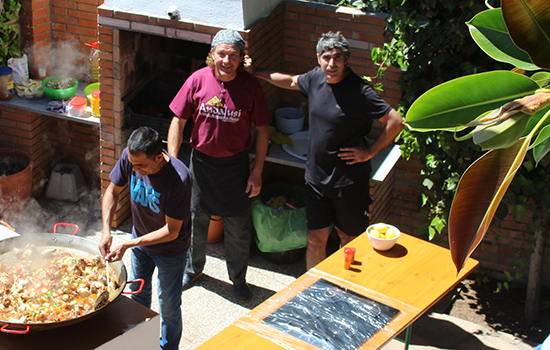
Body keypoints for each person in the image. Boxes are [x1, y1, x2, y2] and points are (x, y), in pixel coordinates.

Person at [248, 32, 405, 269]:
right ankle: (315, 291)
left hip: (349, 182)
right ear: (318, 58)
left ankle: (345, 288)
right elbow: (290, 81)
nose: (332, 64)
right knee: (315, 239)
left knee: (349, 239)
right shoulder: (314, 78)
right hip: (316, 180)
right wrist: (256, 72)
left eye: (338, 58)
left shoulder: (359, 91)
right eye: (326, 57)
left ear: (346, 59)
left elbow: (395, 121)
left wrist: (370, 151)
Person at [168, 29, 270, 302]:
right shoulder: (197, 80)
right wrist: (173, 164)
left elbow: (262, 130)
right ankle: (193, 269)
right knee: (195, 221)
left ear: (241, 59)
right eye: (222, 54)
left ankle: (238, 279)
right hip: (200, 164)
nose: (227, 60)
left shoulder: (251, 87)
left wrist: (257, 171)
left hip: (235, 167)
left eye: (233, 55)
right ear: (212, 55)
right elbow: (178, 121)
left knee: (238, 227)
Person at [100, 126, 192, 350]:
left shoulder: (179, 179)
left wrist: (129, 244)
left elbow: (171, 230)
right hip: (140, 243)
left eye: (140, 165)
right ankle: (139, 344)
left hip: (171, 251)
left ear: (159, 157)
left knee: (168, 307)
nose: (134, 169)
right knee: (138, 299)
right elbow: (112, 191)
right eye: (132, 164)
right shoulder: (131, 158)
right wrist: (106, 230)